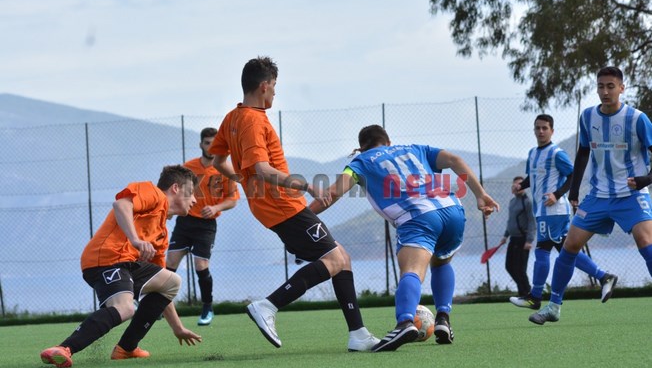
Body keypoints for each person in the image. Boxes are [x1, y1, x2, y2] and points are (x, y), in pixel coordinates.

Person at [208, 56, 379, 351]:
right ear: (264, 86)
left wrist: (242, 180)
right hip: (283, 204)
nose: (275, 92)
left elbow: (217, 161)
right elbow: (263, 169)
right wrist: (307, 185)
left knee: (342, 257)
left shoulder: (232, 117)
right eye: (274, 86)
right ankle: (268, 306)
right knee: (335, 259)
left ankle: (358, 334)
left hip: (273, 206)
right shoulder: (252, 120)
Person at [309, 125, 500, 351]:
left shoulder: (360, 163)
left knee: (412, 270)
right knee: (441, 262)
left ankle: (405, 322)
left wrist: (303, 217)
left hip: (418, 216)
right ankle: (443, 319)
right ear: (388, 142)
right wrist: (480, 194)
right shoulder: (415, 149)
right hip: (452, 210)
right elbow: (454, 160)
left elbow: (332, 194)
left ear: (361, 148)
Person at [40, 165, 203, 368]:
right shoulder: (154, 193)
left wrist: (177, 328)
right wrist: (135, 240)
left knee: (171, 281)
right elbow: (121, 205)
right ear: (175, 188)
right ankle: (64, 348)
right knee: (125, 308)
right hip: (106, 258)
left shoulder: (161, 233)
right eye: (191, 192)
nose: (195, 200)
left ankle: (126, 348)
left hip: (126, 265)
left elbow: (161, 288)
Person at [530, 66, 652, 325]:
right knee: (570, 245)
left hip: (632, 195)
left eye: (611, 86)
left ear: (622, 88)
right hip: (598, 195)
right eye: (601, 86)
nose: (605, 91)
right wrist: (574, 191)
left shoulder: (637, 119)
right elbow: (583, 152)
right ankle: (553, 307)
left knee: (645, 242)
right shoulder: (587, 117)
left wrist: (645, 179)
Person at [510, 114, 617, 310]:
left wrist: (557, 194)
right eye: (537, 128)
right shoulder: (533, 153)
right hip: (542, 211)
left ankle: (535, 296)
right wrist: (521, 186)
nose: (541, 131)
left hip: (554, 210)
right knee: (566, 251)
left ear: (552, 131)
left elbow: (573, 174)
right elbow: (533, 177)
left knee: (542, 250)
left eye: (545, 128)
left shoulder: (556, 153)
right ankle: (604, 277)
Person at [166, 127, 239, 326]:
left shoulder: (225, 170)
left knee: (201, 265)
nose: (211, 147)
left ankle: (207, 307)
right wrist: (171, 210)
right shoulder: (188, 168)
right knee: (170, 263)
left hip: (206, 226)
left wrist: (216, 207)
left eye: (215, 144)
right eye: (207, 143)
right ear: (201, 145)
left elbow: (233, 199)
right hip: (185, 222)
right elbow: (174, 191)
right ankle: (158, 305)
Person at [499, 175, 536, 298]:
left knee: (520, 269)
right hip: (513, 239)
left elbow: (532, 221)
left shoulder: (527, 202)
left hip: (523, 239)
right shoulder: (512, 202)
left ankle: (527, 293)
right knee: (509, 267)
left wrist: (529, 240)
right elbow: (511, 221)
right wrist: (505, 236)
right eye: (515, 184)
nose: (517, 187)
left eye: (520, 184)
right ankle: (524, 291)